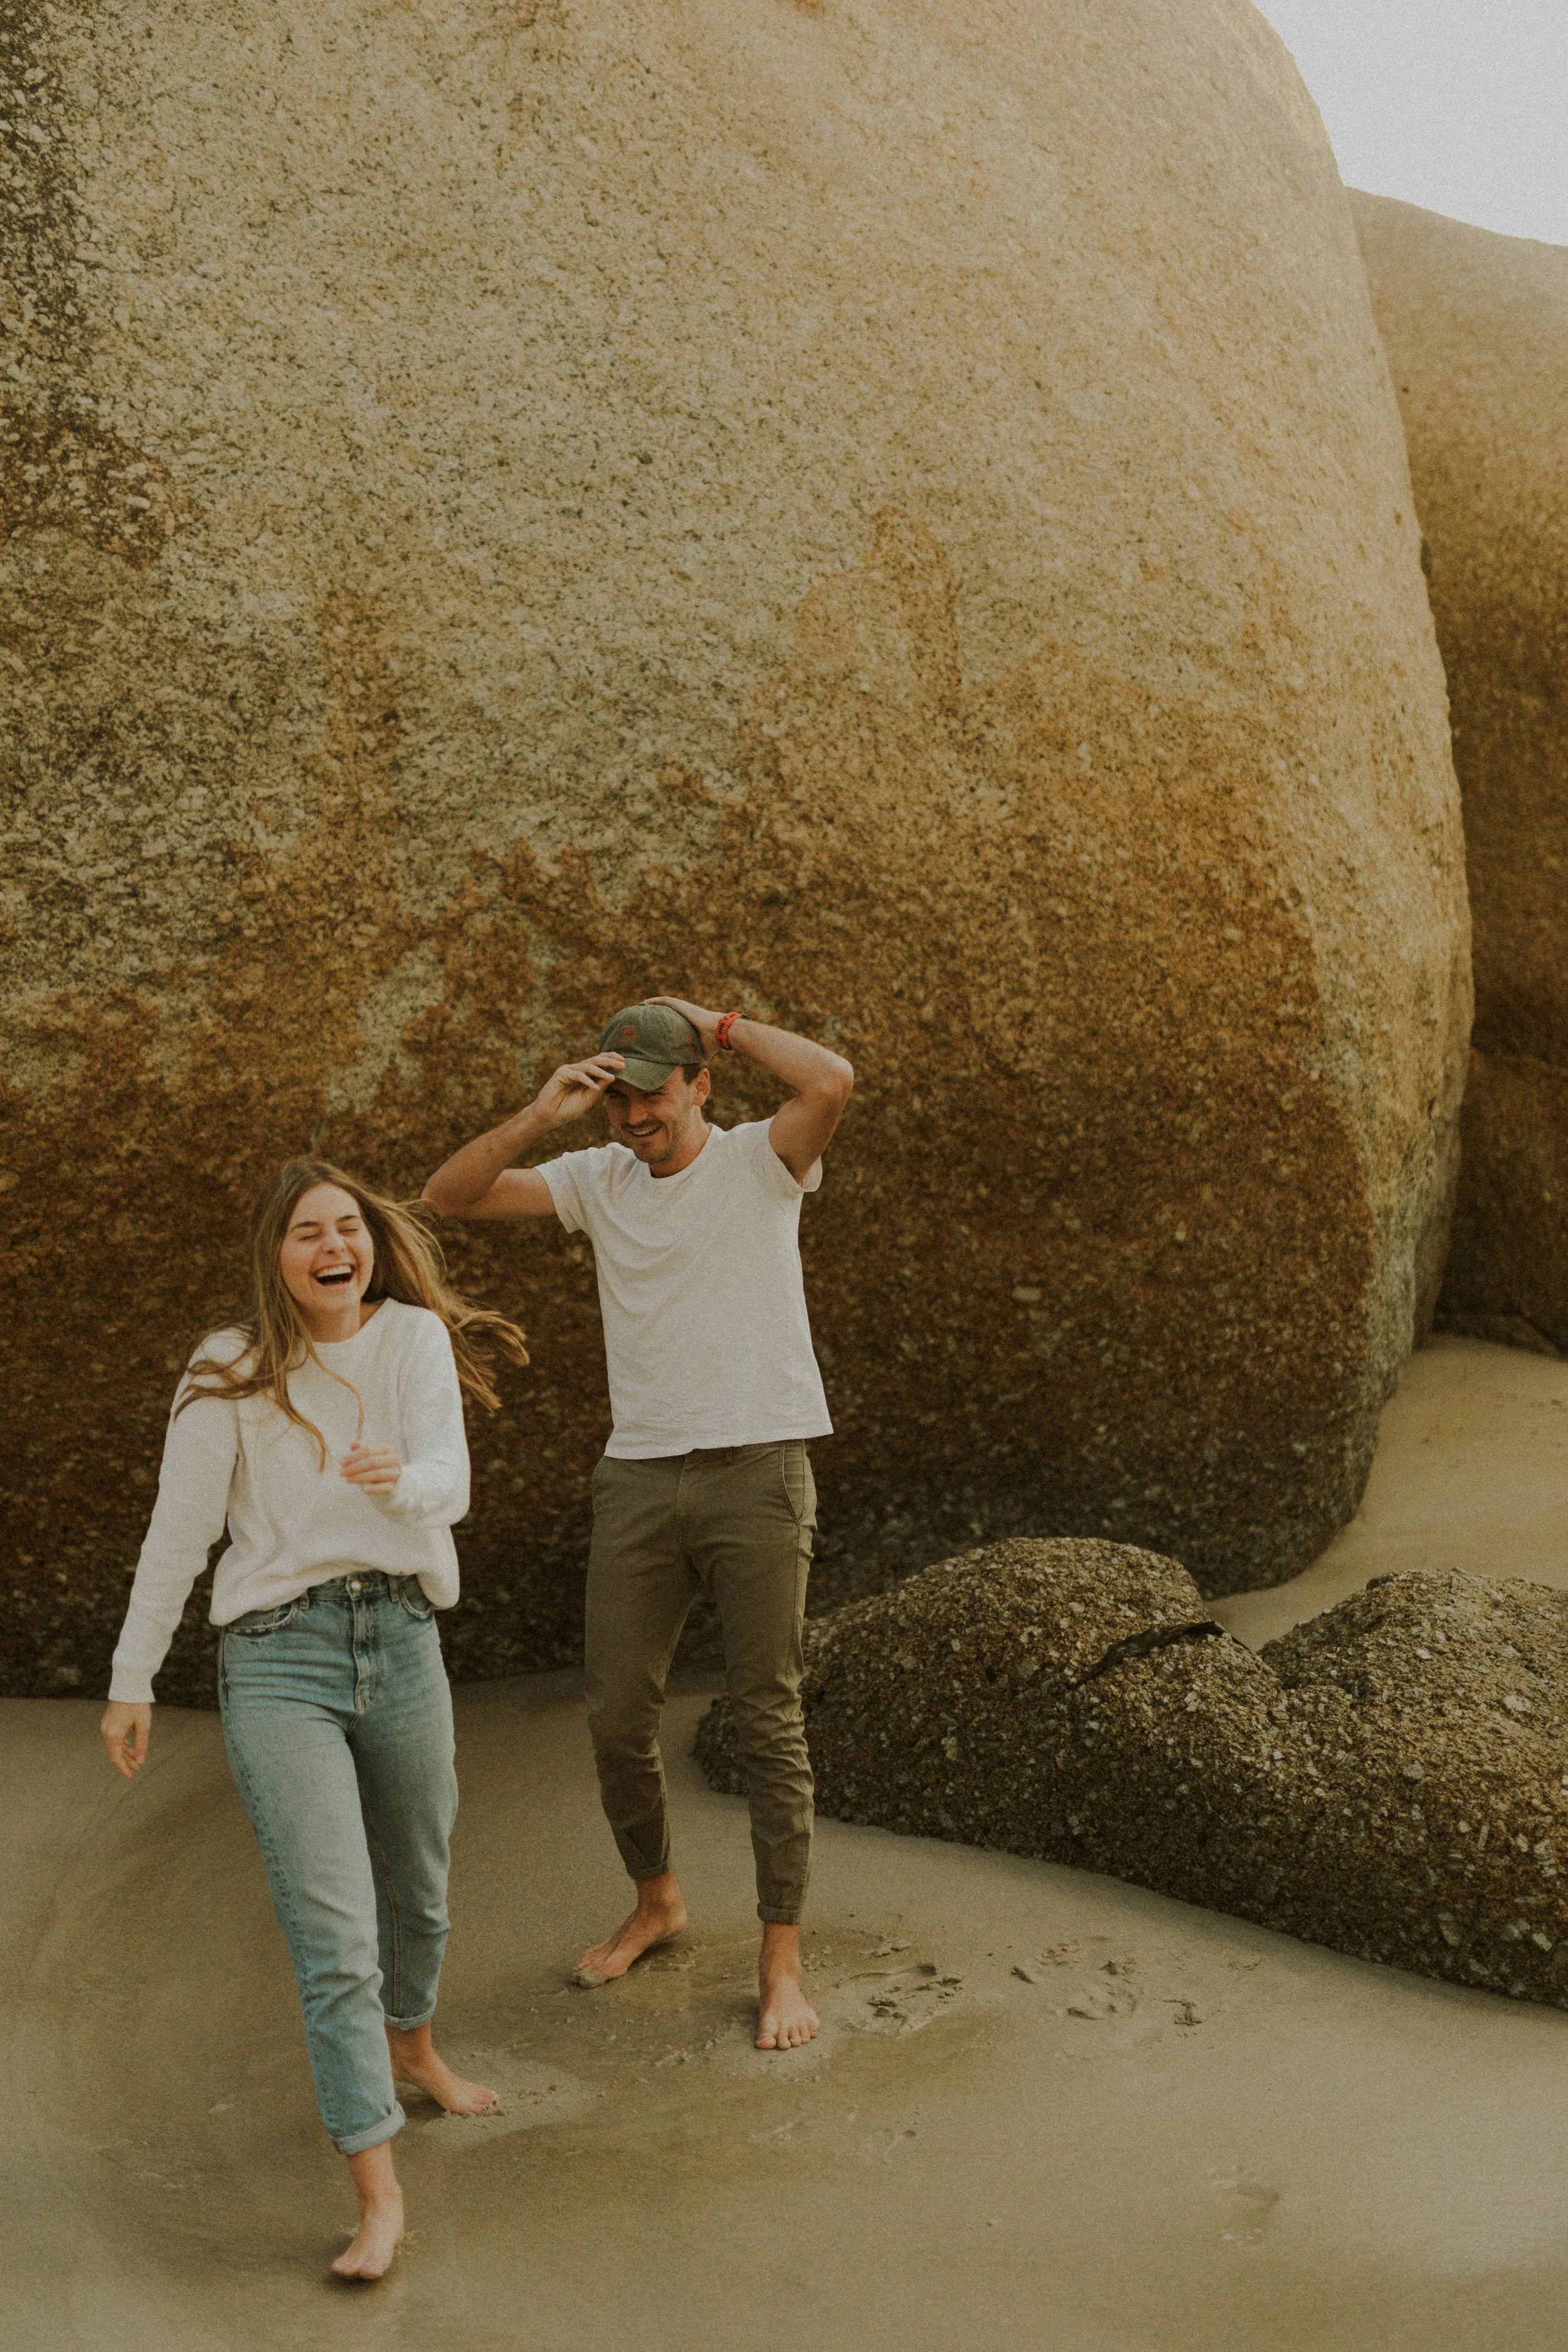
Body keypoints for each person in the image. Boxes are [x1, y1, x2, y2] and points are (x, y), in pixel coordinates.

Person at [99, 1159, 528, 2280]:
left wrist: (402, 1483)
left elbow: (453, 1476)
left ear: (370, 1243)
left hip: (399, 1636)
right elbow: (179, 1530)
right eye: (307, 1232)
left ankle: (416, 2047)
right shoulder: (228, 1367)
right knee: (336, 1936)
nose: (333, 1245)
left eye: (348, 1227)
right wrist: (131, 1674)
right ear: (275, 1254)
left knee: (420, 1889)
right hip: (277, 1659)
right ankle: (378, 2192)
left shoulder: (412, 1342)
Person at [421, 996, 852, 2050]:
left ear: (700, 1086)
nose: (633, 1119)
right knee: (617, 1713)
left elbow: (832, 1082)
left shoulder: (763, 1161)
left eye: (652, 1096)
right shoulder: (597, 1177)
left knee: (767, 1715)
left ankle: (780, 1952)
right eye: (619, 1099)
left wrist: (726, 1023)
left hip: (759, 1464)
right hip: (640, 1475)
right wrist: (542, 1113)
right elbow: (447, 1196)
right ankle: (658, 1900)